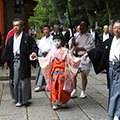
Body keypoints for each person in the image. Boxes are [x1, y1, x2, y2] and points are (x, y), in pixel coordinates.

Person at [81, 20, 120, 120]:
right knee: (112, 90)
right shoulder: (110, 40)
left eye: (119, 28)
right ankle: (114, 112)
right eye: (115, 28)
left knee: (117, 91)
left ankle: (116, 114)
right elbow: (99, 49)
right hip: (111, 68)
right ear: (113, 29)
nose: (117, 30)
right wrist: (88, 53)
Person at [38, 35, 81, 110]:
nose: (56, 43)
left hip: (64, 71)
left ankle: (64, 101)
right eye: (55, 41)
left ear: (61, 41)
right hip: (55, 72)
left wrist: (80, 58)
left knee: (63, 87)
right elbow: (46, 61)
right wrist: (38, 58)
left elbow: (72, 60)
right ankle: (56, 102)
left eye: (58, 41)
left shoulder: (66, 50)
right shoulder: (52, 51)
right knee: (54, 86)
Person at [2, 18, 38, 107]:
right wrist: (6, 61)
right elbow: (7, 50)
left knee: (21, 80)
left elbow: (34, 46)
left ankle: (22, 100)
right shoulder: (11, 39)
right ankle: (17, 98)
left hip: (23, 61)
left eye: (17, 26)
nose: (15, 28)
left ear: (21, 27)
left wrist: (33, 53)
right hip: (13, 60)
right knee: (13, 81)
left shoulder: (27, 37)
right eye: (14, 26)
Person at [69, 21, 95, 98]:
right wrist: (72, 43)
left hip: (84, 56)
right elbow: (70, 46)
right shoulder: (76, 35)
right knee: (73, 74)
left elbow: (91, 46)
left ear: (87, 27)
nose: (82, 27)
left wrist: (80, 48)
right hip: (76, 56)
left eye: (84, 25)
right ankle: (74, 90)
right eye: (80, 25)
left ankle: (83, 91)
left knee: (83, 75)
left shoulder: (89, 36)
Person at [34, 25, 55, 92]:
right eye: (44, 29)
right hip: (43, 57)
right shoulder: (42, 39)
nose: (46, 31)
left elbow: (53, 48)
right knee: (41, 71)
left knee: (49, 71)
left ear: (50, 30)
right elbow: (40, 49)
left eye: (47, 29)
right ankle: (40, 85)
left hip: (50, 56)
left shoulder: (53, 38)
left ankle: (49, 85)